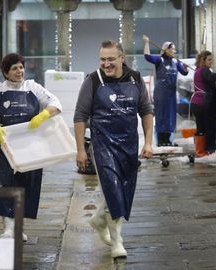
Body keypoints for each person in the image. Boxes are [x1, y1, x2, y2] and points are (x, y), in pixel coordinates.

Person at [74, 40, 154, 258]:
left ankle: (99, 220)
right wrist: (80, 150)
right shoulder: (93, 80)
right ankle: (117, 242)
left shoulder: (135, 79)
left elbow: (146, 111)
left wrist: (148, 142)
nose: (106, 64)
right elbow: (80, 116)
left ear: (122, 58)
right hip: (102, 145)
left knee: (124, 190)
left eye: (110, 59)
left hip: (128, 145)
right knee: (113, 187)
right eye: (102, 59)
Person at [0, 53, 62, 241]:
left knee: (26, 186)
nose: (19, 71)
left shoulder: (33, 87)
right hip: (7, 146)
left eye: (21, 67)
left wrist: (42, 116)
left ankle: (18, 228)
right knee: (6, 184)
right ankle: (8, 228)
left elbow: (56, 103)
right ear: (6, 72)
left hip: (31, 146)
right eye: (14, 68)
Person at [142, 35, 189, 146]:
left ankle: (168, 140)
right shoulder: (160, 60)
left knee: (170, 117)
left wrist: (186, 68)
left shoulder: (176, 62)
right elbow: (147, 57)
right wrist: (146, 43)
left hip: (171, 95)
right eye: (172, 49)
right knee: (162, 116)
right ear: (166, 49)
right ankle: (161, 141)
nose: (174, 51)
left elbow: (184, 72)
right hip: (161, 94)